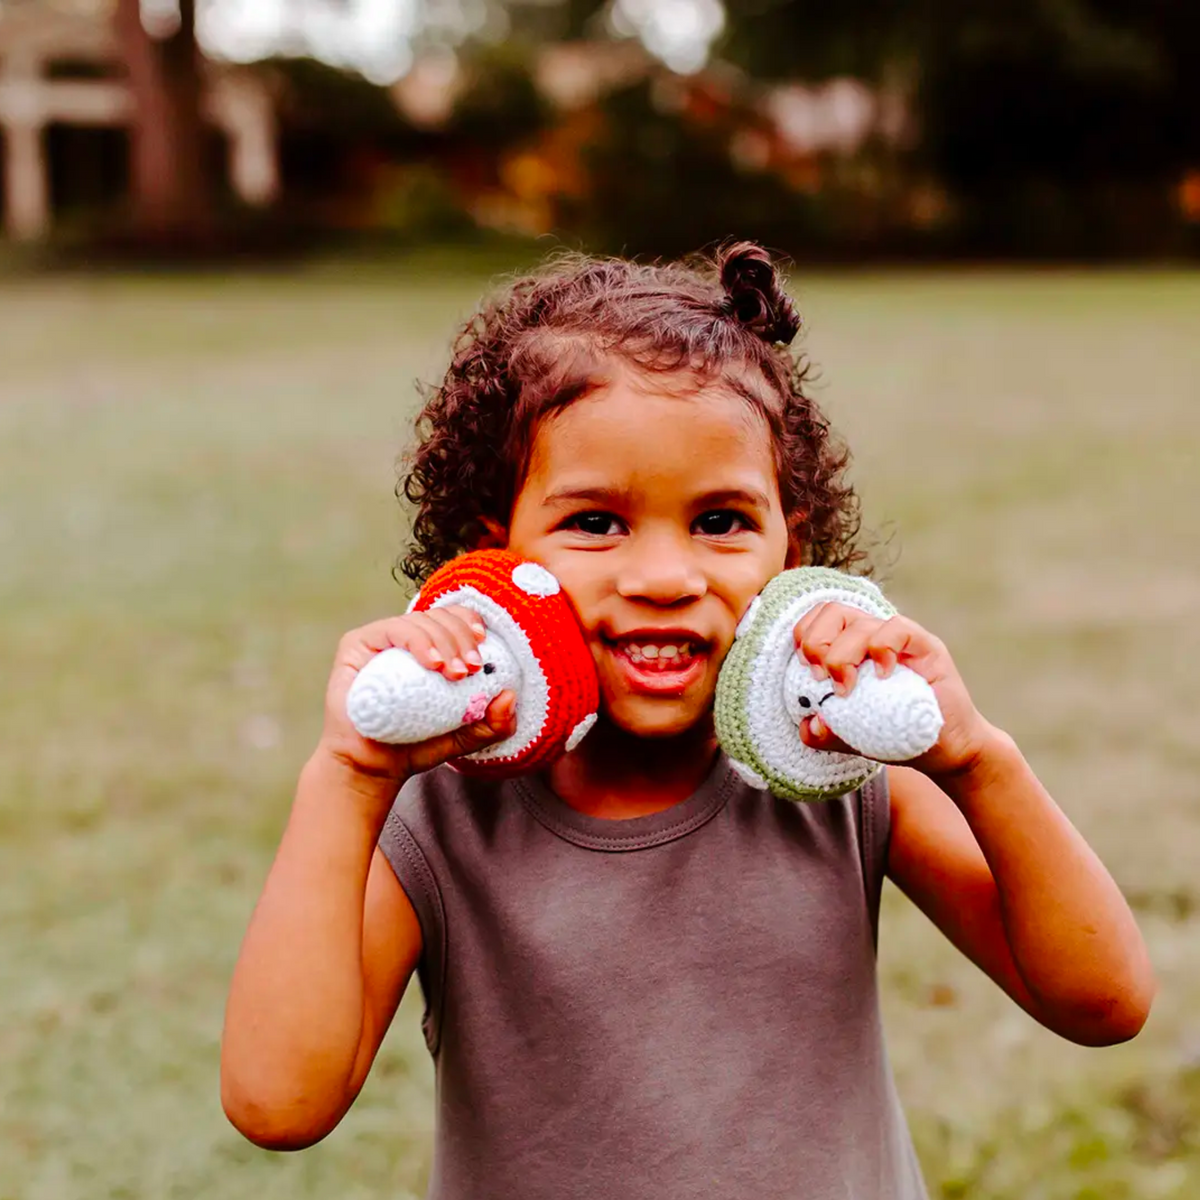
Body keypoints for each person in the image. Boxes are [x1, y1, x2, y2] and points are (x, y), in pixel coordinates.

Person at [220, 243, 1155, 1199]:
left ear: (794, 539)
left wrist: (976, 760)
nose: (666, 578)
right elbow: (278, 1104)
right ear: (493, 556)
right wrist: (349, 778)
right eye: (595, 523)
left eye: (720, 521)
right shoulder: (439, 816)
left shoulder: (846, 774)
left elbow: (1103, 1002)